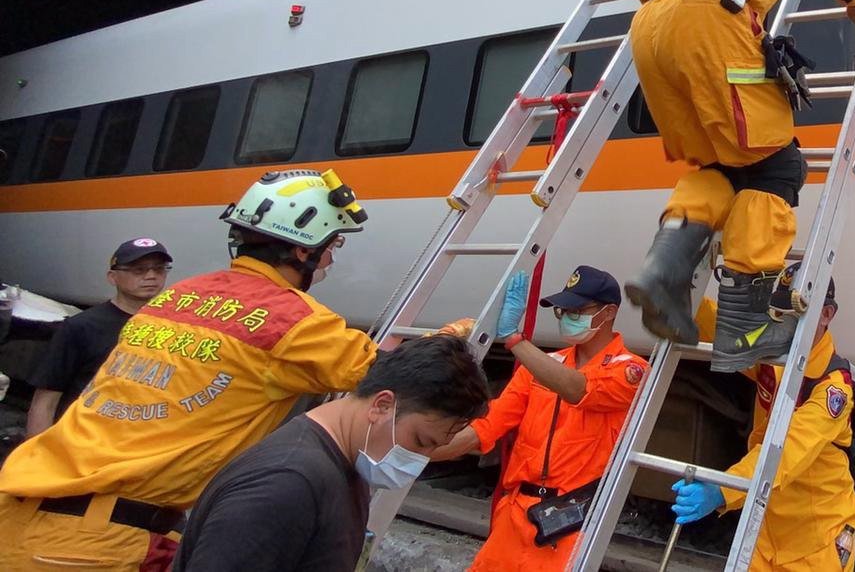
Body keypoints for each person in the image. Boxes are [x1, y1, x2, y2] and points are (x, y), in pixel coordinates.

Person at [0, 169, 378, 572]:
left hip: (21, 515)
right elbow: (397, 379)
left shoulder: (176, 296)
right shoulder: (294, 320)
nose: (333, 258)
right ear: (304, 251)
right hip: (95, 547)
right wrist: (451, 336)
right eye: (332, 245)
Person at [625, 0, 855, 372]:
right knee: (778, 167)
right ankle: (747, 320)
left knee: (722, 164)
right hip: (713, 21)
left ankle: (665, 268)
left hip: (649, 29)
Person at [172, 335, 490, 572]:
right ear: (382, 405)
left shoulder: (343, 465)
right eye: (421, 441)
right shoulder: (287, 483)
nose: (420, 459)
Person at [433, 266, 647, 572]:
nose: (567, 316)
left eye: (577, 309)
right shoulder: (541, 366)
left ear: (609, 312)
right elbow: (486, 427)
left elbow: (579, 390)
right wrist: (413, 447)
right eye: (562, 310)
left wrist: (516, 342)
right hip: (516, 516)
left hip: (570, 521)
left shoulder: (631, 371)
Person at [670, 281, 855, 571]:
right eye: (778, 313)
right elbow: (726, 332)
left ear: (826, 314)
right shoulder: (776, 354)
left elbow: (785, 451)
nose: (784, 323)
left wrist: (723, 490)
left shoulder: (833, 390)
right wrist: (685, 291)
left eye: (796, 313)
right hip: (765, 527)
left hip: (816, 542)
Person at [24, 238, 172, 437]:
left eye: (159, 269)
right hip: (86, 441)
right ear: (112, 277)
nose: (151, 276)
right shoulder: (80, 327)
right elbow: (46, 400)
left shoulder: (173, 325)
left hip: (144, 442)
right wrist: (36, 457)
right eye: (139, 270)